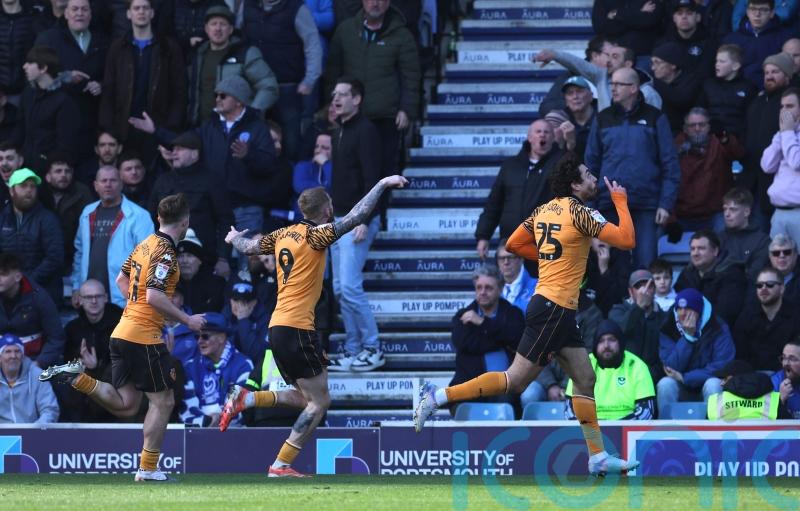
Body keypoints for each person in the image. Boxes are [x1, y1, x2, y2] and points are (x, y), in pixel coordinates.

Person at [414, 152, 639, 475]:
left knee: (585, 378)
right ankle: (436, 397)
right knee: (514, 381)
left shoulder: (544, 210)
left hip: (555, 307)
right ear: (575, 184)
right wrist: (620, 200)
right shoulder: (582, 213)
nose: (593, 179)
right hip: (553, 308)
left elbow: (515, 244)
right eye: (588, 175)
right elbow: (628, 239)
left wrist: (549, 256)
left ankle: (597, 456)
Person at [218, 175, 408, 477]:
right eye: (331, 204)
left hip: (277, 326)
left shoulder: (283, 233)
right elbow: (358, 215)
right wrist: (382, 184)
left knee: (305, 398)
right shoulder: (316, 235)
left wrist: (232, 240)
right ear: (326, 209)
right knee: (320, 402)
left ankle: (249, 398)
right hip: (298, 328)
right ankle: (281, 464)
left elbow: (250, 247)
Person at [39, 193, 207, 482]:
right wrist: (186, 319)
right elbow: (154, 295)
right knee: (163, 401)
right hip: (143, 335)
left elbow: (120, 279)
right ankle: (148, 468)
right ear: (185, 221)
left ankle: (79, 377)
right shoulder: (165, 251)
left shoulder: (144, 245)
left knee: (127, 404)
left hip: (123, 331)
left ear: (158, 218)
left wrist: (138, 305)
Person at [584, 67, 680, 270]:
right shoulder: (603, 118)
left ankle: (642, 303)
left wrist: (665, 203)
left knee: (645, 265)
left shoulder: (655, 117)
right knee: (608, 264)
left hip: (646, 205)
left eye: (619, 84)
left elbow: (670, 164)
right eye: (612, 84)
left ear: (634, 88)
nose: (613, 88)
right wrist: (590, 206)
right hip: (607, 204)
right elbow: (591, 164)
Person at [325, 77, 383, 372]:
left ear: (357, 99)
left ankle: (373, 347)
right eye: (335, 94)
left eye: (343, 94)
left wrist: (366, 218)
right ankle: (353, 348)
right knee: (338, 288)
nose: (336, 99)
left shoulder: (366, 131)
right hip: (339, 219)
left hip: (357, 219)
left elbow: (374, 176)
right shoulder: (340, 131)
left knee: (349, 286)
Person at [325, 0, 420, 177]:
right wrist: (332, 104)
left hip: (386, 117)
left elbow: (411, 76)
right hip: (350, 115)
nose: (375, 3)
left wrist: (406, 109)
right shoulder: (345, 31)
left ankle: (381, 206)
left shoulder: (402, 36)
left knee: (383, 172)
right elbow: (333, 72)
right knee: (350, 171)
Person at [98, 0, 186, 155]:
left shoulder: (169, 47)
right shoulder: (118, 48)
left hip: (158, 127)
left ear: (152, 13)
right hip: (124, 128)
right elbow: (109, 89)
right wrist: (109, 127)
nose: (141, 12)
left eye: (145, 8)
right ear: (128, 14)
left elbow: (179, 90)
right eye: (136, 8)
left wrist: (170, 126)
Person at [241, 0, 323, 162]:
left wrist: (309, 80)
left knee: (291, 144)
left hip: (288, 87)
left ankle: (289, 184)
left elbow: (312, 44)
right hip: (255, 88)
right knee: (252, 139)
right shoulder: (248, 5)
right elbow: (238, 37)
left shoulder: (297, 8)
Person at [149, 130, 234, 276]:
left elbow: (226, 220)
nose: (174, 153)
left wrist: (223, 258)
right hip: (167, 259)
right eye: (173, 149)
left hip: (205, 259)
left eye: (180, 149)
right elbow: (150, 220)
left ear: (195, 154)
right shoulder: (163, 181)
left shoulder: (212, 180)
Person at [34, 0, 109, 163]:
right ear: (66, 13)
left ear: (91, 14)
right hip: (57, 125)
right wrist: (65, 77)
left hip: (92, 121)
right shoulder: (48, 39)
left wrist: (101, 84)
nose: (79, 13)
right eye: (74, 9)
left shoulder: (102, 41)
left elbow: (112, 75)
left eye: (84, 9)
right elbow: (35, 78)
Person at [474, 119, 560, 260]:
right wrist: (483, 236)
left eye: (547, 132)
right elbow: (494, 205)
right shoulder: (510, 166)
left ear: (553, 138)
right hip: (512, 243)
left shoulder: (560, 165)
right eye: (538, 132)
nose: (542, 135)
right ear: (529, 137)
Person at [71, 166, 154, 309]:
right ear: (96, 186)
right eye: (103, 181)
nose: (108, 184)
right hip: (91, 296)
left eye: (113, 180)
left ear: (121, 184)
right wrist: (77, 287)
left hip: (124, 298)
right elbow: (79, 253)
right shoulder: (87, 212)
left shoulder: (139, 215)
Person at [448, 264, 524, 415]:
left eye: (488, 288)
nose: (482, 292)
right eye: (479, 287)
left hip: (504, 387)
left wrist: (482, 323)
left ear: (500, 289)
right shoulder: (462, 316)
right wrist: (501, 340)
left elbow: (516, 339)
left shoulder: (513, 314)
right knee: (458, 405)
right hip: (469, 385)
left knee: (508, 403)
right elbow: (466, 344)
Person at [187, 4, 277, 126]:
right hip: (201, 127)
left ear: (230, 29)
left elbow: (269, 87)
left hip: (234, 129)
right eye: (213, 24)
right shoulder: (197, 54)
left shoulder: (246, 53)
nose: (218, 28)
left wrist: (250, 115)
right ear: (206, 29)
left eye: (223, 24)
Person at [657, 287, 735, 417]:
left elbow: (722, 367)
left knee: (714, 384)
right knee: (665, 384)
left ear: (699, 311)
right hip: (680, 386)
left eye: (688, 309)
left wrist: (686, 378)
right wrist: (688, 337)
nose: (682, 314)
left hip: (705, 383)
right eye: (679, 309)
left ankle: (715, 432)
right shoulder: (668, 327)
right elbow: (670, 367)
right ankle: (667, 430)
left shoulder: (718, 327)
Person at [565, 319, 655, 420]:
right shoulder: (583, 366)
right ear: (595, 345)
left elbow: (646, 413)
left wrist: (614, 430)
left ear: (620, 342)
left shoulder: (637, 366)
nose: (606, 345)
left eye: (611, 340)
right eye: (601, 341)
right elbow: (570, 412)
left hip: (628, 432)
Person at [533, 43, 662, 112]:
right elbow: (579, 64)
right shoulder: (601, 77)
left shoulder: (648, 93)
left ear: (628, 64)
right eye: (608, 56)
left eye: (615, 57)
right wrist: (554, 54)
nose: (608, 61)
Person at [0, 168, 65, 305]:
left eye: (32, 186)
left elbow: (54, 258)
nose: (29, 190)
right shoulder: (2, 219)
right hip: (7, 293)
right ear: (12, 191)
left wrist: (25, 282)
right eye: (23, 186)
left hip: (42, 293)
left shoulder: (48, 219)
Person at [673, 108, 744, 232]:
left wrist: (725, 137)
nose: (697, 129)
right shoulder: (675, 147)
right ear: (685, 129)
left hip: (714, 213)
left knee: (725, 237)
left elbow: (739, 154)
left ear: (709, 126)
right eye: (692, 125)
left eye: (702, 125)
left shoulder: (719, 142)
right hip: (682, 214)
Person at [61, 279, 122, 422]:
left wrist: (96, 367)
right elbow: (67, 364)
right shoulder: (72, 329)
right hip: (82, 389)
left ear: (106, 298)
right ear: (80, 300)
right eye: (88, 297)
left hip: (116, 389)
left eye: (98, 296)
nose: (94, 301)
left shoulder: (122, 325)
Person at [742, 52, 791, 229]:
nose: (769, 76)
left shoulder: (790, 103)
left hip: (778, 179)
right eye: (767, 72)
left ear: (787, 75)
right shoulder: (757, 101)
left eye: (775, 72)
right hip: (752, 180)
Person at [180, 312, 253, 427]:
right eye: (197, 336)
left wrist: (220, 418)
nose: (199, 341)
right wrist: (207, 421)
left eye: (205, 336)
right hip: (197, 435)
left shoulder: (243, 365)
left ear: (221, 338)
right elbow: (186, 410)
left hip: (234, 435)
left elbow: (240, 408)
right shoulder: (189, 367)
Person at [15, 45, 80, 174]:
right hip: (25, 166)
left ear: (43, 68)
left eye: (30, 63)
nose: (24, 66)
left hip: (49, 172)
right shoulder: (28, 93)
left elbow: (65, 144)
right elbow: (20, 128)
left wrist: (48, 163)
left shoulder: (64, 101)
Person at [0, 253, 65, 368]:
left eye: (3, 274)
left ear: (18, 276)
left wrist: (39, 363)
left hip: (33, 360)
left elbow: (56, 337)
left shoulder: (40, 297)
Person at [674, 230, 748, 326]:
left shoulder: (732, 275)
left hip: (718, 333)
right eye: (692, 249)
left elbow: (725, 315)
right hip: (685, 328)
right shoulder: (687, 273)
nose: (695, 253)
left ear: (715, 251)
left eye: (701, 248)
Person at [733, 266, 799, 370]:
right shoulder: (746, 316)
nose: (763, 288)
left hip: (785, 375)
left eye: (770, 284)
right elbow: (740, 355)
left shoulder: (796, 316)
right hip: (751, 376)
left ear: (782, 289)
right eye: (759, 285)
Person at [38, 152, 94, 274]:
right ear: (48, 176)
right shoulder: (38, 194)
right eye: (58, 171)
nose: (63, 175)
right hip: (42, 259)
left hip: (75, 258)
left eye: (67, 171)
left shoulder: (82, 193)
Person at [609, 269, 668, 385]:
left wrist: (648, 375)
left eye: (648, 286)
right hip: (623, 377)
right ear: (630, 292)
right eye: (638, 287)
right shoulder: (617, 311)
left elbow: (664, 356)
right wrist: (639, 306)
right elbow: (623, 329)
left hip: (652, 379)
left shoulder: (663, 317)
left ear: (654, 290)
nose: (643, 291)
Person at [723, 0, 794, 88]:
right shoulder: (731, 39)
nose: (757, 14)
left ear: (772, 13)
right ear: (747, 12)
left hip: (772, 90)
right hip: (736, 91)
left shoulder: (785, 38)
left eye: (763, 10)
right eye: (753, 9)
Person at [761, 87, 800, 244]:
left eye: (789, 106)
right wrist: (781, 135)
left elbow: (796, 162)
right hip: (779, 213)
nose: (784, 111)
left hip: (798, 212)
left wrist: (787, 133)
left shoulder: (787, 134)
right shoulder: (784, 134)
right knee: (778, 263)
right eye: (782, 107)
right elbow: (767, 165)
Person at [538, 36, 609, 117]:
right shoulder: (570, 76)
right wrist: (577, 104)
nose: (613, 59)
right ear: (595, 55)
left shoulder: (617, 78)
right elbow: (546, 108)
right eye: (609, 55)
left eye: (616, 55)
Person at [698, 44, 757, 137]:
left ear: (735, 66)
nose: (717, 64)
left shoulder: (749, 88)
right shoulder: (708, 85)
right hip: (710, 138)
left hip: (737, 139)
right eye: (716, 61)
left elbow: (752, 119)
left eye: (722, 61)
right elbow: (700, 112)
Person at [0, 334, 59, 424]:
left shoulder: (37, 375)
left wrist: (37, 428)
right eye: (8, 352)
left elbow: (50, 409)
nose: (13, 356)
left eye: (17, 351)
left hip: (31, 431)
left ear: (23, 356)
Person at [717, 187, 771, 282]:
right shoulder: (717, 239)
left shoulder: (762, 241)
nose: (727, 214)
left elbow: (756, 274)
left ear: (747, 212)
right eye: (725, 209)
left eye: (733, 209)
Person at [650, 42, 702, 134]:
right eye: (652, 63)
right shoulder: (655, 84)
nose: (653, 68)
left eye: (657, 63)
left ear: (673, 65)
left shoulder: (691, 81)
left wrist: (654, 82)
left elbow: (681, 99)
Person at [707, 359, 787, 420]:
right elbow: (792, 433)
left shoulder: (716, 402)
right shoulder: (773, 400)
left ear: (734, 378)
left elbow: (705, 436)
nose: (721, 383)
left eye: (725, 379)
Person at [176, 228, 226, 314]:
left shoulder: (215, 284)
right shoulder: (169, 284)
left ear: (200, 260)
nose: (184, 261)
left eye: (189, 256)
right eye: (180, 256)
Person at [292, 132, 332, 218]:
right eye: (317, 146)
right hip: (303, 219)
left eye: (325, 148)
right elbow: (299, 187)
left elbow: (336, 188)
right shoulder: (302, 166)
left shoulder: (334, 168)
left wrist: (326, 164)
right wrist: (325, 187)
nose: (318, 150)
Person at [495, 239, 537, 313]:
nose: (506, 262)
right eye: (502, 258)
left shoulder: (537, 287)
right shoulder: (492, 288)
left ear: (521, 259)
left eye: (510, 258)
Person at [771, 339, 800, 418]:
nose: (786, 363)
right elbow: (766, 422)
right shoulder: (773, 383)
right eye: (784, 358)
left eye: (792, 359)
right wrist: (781, 399)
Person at [769, 234, 799, 303]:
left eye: (787, 252)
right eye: (776, 253)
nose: (781, 256)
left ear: (795, 255)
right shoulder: (759, 279)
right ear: (770, 257)